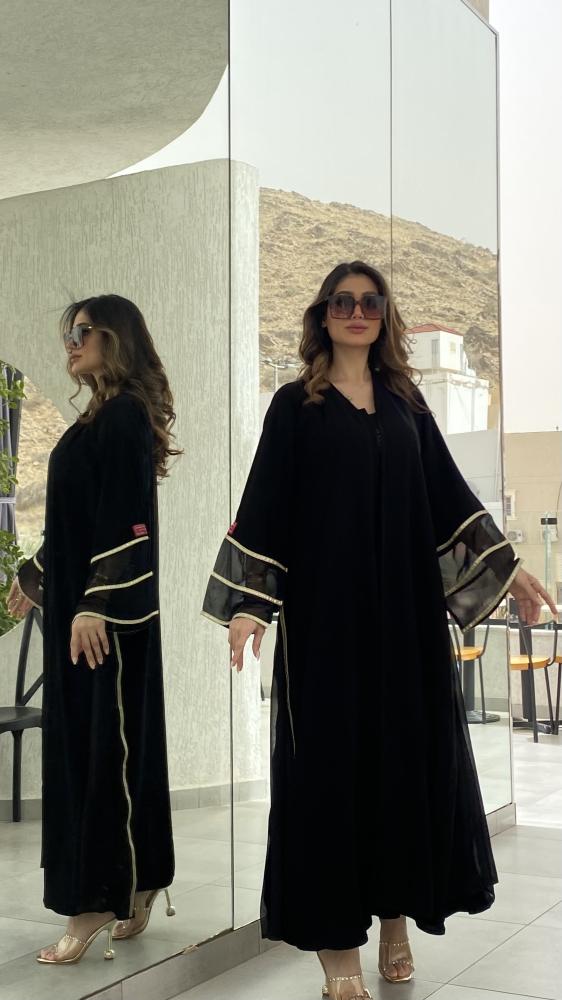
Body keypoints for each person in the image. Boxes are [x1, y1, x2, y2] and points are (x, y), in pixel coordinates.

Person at [202, 261, 556, 1000]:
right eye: (343, 301)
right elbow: (265, 507)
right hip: (325, 629)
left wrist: (510, 570)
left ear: (384, 315)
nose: (356, 312)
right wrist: (250, 605)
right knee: (328, 779)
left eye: (370, 302)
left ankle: (395, 920)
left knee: (400, 770)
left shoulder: (406, 403)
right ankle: (340, 951)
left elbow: (449, 500)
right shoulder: (294, 406)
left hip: (405, 625)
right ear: (323, 314)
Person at [7, 294, 179, 965]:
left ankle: (96, 901)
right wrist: (37, 573)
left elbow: (125, 517)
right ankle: (140, 879)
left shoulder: (126, 415)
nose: (71, 343)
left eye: (82, 331)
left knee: (101, 756)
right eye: (68, 334)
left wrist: (94, 604)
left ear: (116, 337)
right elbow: (78, 520)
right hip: (85, 617)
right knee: (99, 750)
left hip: (104, 624)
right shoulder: (97, 419)